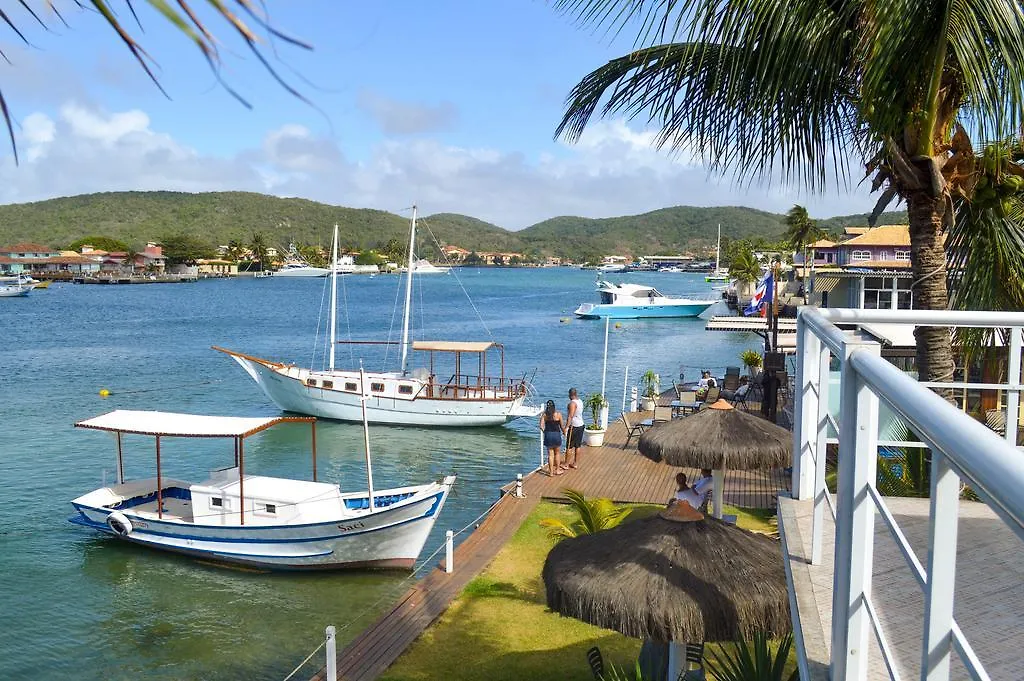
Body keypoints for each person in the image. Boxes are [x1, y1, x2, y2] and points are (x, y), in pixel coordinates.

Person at [540, 400, 565, 476]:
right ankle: (557, 470)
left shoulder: (544, 415)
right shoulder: (558, 414)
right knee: (557, 453)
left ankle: (551, 472)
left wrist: (545, 432)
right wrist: (564, 432)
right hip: (556, 434)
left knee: (550, 455)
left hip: (548, 435)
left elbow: (541, 426)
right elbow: (562, 426)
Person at [564, 388, 585, 469]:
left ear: (570, 394)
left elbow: (570, 416)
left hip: (574, 426)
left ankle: (566, 464)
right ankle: (575, 463)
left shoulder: (572, 403)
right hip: (581, 425)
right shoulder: (580, 401)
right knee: (577, 445)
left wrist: (566, 427)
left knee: (569, 446)